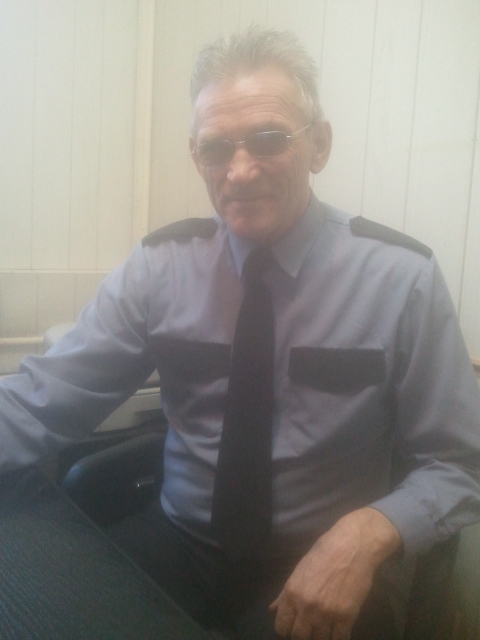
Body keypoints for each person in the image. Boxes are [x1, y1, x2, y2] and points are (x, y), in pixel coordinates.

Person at [1, 27, 480, 640]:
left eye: (269, 139)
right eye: (216, 148)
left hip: (322, 561)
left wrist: (370, 531)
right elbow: (41, 399)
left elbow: (458, 462)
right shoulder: (161, 268)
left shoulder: (401, 279)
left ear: (320, 145)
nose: (240, 170)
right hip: (179, 543)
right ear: (196, 155)